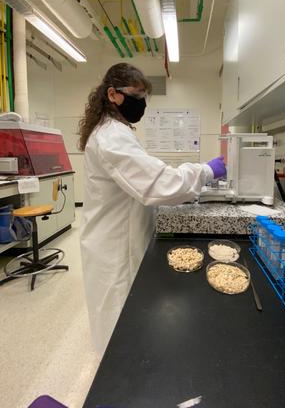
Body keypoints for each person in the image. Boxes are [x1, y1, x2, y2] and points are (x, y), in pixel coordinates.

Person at [78, 63, 226, 354]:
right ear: (113, 94)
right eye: (136, 95)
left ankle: (125, 367)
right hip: (114, 246)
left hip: (119, 235)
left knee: (125, 317)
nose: (141, 103)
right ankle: (117, 382)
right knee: (116, 319)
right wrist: (206, 171)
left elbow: (146, 177)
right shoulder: (111, 137)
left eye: (144, 96)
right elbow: (158, 183)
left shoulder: (116, 131)